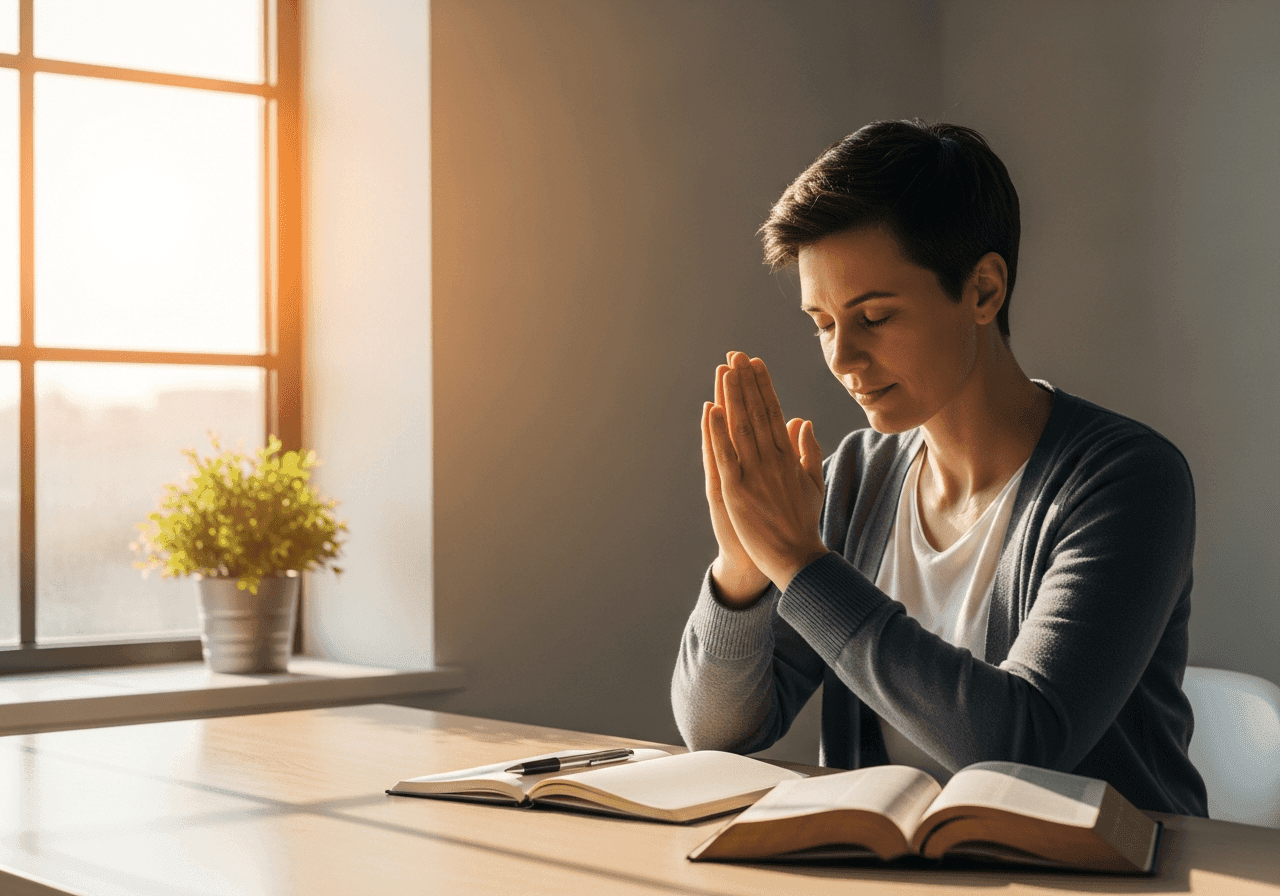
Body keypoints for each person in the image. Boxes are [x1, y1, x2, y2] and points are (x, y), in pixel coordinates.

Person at [671, 119, 1208, 817]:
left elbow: (1023, 743)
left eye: (874, 317)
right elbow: (718, 732)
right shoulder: (856, 478)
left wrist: (799, 564)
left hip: (1099, 869)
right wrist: (743, 569)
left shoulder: (1128, 480)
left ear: (983, 290)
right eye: (823, 323)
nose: (841, 358)